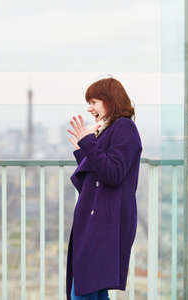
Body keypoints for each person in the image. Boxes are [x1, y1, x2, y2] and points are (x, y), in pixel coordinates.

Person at [66, 78, 142, 300]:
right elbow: (92, 182)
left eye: (94, 101)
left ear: (110, 101)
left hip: (104, 224)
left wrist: (89, 143)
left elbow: (114, 173)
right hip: (99, 223)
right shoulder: (111, 130)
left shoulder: (124, 128)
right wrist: (84, 149)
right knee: (93, 288)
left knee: (85, 288)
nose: (90, 108)